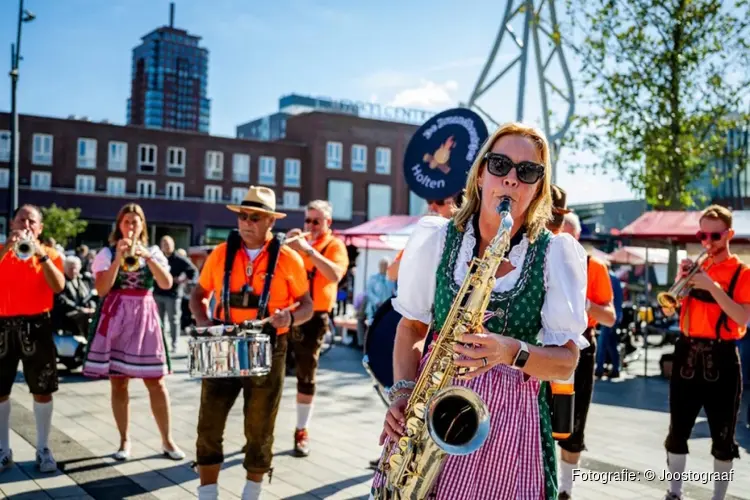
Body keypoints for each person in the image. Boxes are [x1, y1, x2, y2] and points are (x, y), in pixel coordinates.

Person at [371, 123, 589, 500]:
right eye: (500, 165)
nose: (510, 180)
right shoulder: (438, 239)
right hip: (431, 411)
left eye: (527, 172)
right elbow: (411, 327)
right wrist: (402, 392)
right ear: (480, 172)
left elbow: (567, 362)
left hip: (510, 427)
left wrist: (510, 351)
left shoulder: (554, 253)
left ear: (538, 186)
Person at [190, 186, 313, 500]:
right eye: (243, 215)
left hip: (269, 344)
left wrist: (291, 318)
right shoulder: (220, 253)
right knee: (209, 423)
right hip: (224, 342)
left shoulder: (288, 257)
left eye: (254, 217)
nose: (246, 222)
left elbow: (306, 305)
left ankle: (251, 494)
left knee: (259, 427)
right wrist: (204, 324)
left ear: (270, 222)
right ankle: (208, 495)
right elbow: (197, 295)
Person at [82, 203, 184, 462]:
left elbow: (166, 283)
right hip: (117, 316)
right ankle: (124, 440)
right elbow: (103, 289)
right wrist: (118, 257)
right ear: (119, 225)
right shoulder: (106, 252)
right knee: (118, 381)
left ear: (142, 226)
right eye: (126, 221)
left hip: (144, 316)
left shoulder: (152, 252)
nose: (130, 226)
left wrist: (147, 257)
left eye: (135, 222)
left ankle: (167, 440)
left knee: (156, 382)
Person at [660, 204, 748, 500]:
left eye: (714, 235)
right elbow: (668, 306)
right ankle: (674, 492)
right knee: (677, 430)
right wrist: (679, 282)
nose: (707, 241)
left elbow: (742, 317)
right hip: (686, 352)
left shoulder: (742, 272)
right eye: (702, 234)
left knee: (723, 436)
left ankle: (718, 497)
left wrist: (711, 286)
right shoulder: (697, 267)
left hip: (721, 357)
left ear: (729, 234)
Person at [547, 202, 616, 500]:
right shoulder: (546, 256)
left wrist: (583, 303)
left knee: (573, 421)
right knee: (541, 417)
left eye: (569, 235)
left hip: (580, 346)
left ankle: (565, 489)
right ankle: (542, 480)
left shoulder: (594, 266)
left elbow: (611, 317)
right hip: (544, 344)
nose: (565, 240)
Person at [0, 205, 65, 474]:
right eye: (21, 219)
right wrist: (6, 248)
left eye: (32, 221)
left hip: (37, 324)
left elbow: (58, 286)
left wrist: (41, 256)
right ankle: (3, 449)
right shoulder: (3, 250)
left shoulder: (50, 254)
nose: (26, 224)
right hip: (2, 324)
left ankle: (43, 448)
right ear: (12, 223)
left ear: (39, 228)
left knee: (42, 389)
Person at [284, 199, 348, 457]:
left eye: (316, 221)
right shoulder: (298, 244)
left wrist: (308, 251)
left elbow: (334, 274)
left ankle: (302, 430)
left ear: (327, 223)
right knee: (273, 372)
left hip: (315, 317)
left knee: (306, 375)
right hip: (288, 313)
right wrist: (284, 246)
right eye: (307, 220)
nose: (310, 225)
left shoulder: (335, 245)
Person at [154, 235, 199, 353]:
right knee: (158, 321)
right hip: (158, 292)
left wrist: (183, 280)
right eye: (164, 244)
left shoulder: (179, 259)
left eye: (168, 244)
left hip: (172, 294)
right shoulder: (157, 258)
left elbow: (193, 271)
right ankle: (160, 344)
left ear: (173, 245)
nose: (166, 246)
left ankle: (174, 343)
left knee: (173, 320)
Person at [54, 255, 98, 336]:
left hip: (83, 310)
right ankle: (88, 339)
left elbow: (89, 296)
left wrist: (92, 307)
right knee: (83, 316)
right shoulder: (61, 282)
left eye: (75, 268)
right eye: (71, 268)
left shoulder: (83, 280)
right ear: (65, 268)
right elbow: (62, 300)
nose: (74, 271)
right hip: (68, 313)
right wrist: (80, 309)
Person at [596, 265, 625, 378]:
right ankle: (616, 368)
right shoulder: (615, 279)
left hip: (609, 316)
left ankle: (599, 369)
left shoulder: (609, 278)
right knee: (611, 343)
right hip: (615, 316)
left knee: (602, 342)